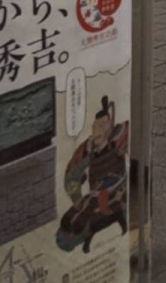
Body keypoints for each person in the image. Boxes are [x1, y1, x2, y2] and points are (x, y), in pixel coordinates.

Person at [57, 96, 128, 255]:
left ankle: (80, 240)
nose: (97, 131)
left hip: (115, 191)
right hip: (94, 193)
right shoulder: (89, 147)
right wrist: (77, 198)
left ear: (109, 126)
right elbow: (71, 174)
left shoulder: (119, 136)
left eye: (102, 125)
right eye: (95, 126)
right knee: (67, 220)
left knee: (81, 223)